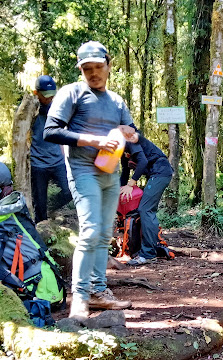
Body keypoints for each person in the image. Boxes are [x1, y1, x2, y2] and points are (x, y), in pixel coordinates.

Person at [44, 41, 138, 322]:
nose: (94, 73)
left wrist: (127, 132)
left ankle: (99, 291)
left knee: (104, 233)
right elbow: (51, 131)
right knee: (90, 231)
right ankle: (80, 298)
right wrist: (94, 139)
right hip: (83, 169)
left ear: (108, 66)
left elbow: (132, 132)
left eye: (98, 67)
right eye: (87, 69)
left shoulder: (117, 100)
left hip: (110, 171)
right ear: (81, 70)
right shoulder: (71, 93)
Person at [119, 139, 173, 265]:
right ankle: (141, 247)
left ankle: (148, 254)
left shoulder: (131, 140)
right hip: (153, 175)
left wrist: (131, 184)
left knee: (146, 209)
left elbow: (143, 162)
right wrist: (119, 191)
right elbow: (125, 172)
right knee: (140, 210)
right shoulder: (122, 152)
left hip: (161, 172)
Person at [30, 75, 72, 223]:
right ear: (37, 93)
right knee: (39, 202)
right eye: (45, 96)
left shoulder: (56, 108)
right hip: (37, 163)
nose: (49, 99)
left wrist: (63, 156)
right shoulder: (28, 111)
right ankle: (41, 230)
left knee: (68, 191)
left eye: (51, 96)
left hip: (56, 160)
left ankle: (50, 209)